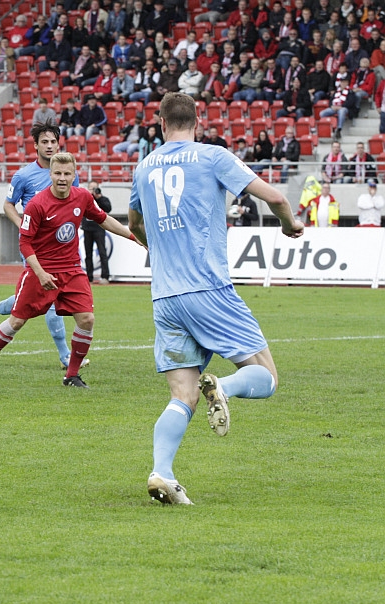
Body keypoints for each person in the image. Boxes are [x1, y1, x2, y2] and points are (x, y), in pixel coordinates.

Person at [127, 92, 304, 505]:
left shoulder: (144, 166)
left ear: (161, 123)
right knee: (267, 377)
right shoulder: (212, 156)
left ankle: (162, 473)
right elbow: (275, 198)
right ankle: (222, 385)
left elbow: (134, 223)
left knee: (182, 395)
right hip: (208, 288)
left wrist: (156, 248)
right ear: (197, 121)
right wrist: (289, 224)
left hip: (165, 297)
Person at [0, 153, 139, 391]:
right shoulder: (37, 205)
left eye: (67, 174)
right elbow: (25, 244)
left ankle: (72, 375)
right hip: (41, 270)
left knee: (87, 319)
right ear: (50, 175)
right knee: (17, 321)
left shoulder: (83, 197)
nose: (62, 178)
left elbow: (103, 219)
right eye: (58, 173)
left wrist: (133, 236)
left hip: (72, 269)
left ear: (74, 175)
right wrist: (40, 273)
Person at [0, 122, 83, 371]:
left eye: (53, 141)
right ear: (35, 145)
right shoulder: (23, 175)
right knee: (51, 296)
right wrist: (24, 225)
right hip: (36, 248)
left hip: (63, 249)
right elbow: (8, 205)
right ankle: (65, 356)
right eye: (44, 142)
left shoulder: (68, 173)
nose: (49, 146)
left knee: (32, 299)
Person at [83, 181, 113, 283]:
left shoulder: (102, 199)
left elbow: (108, 208)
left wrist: (98, 197)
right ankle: (89, 277)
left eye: (94, 188)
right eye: (91, 188)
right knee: (88, 254)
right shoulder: (84, 199)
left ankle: (105, 276)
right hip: (87, 229)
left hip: (99, 229)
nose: (93, 190)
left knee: (102, 252)